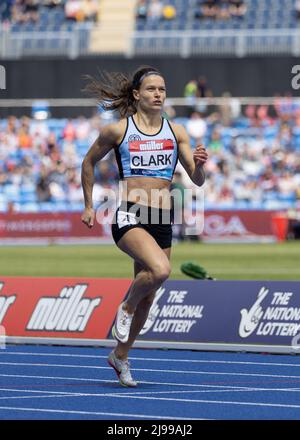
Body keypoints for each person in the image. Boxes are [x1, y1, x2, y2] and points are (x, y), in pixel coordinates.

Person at [81, 66, 208, 387]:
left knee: (149, 294)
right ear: (137, 95)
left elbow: (196, 179)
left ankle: (120, 356)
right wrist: (88, 204)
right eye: (151, 89)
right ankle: (125, 305)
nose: (158, 94)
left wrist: (201, 165)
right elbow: (88, 162)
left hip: (162, 217)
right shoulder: (118, 131)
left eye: (162, 89)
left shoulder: (176, 131)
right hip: (130, 213)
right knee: (161, 270)